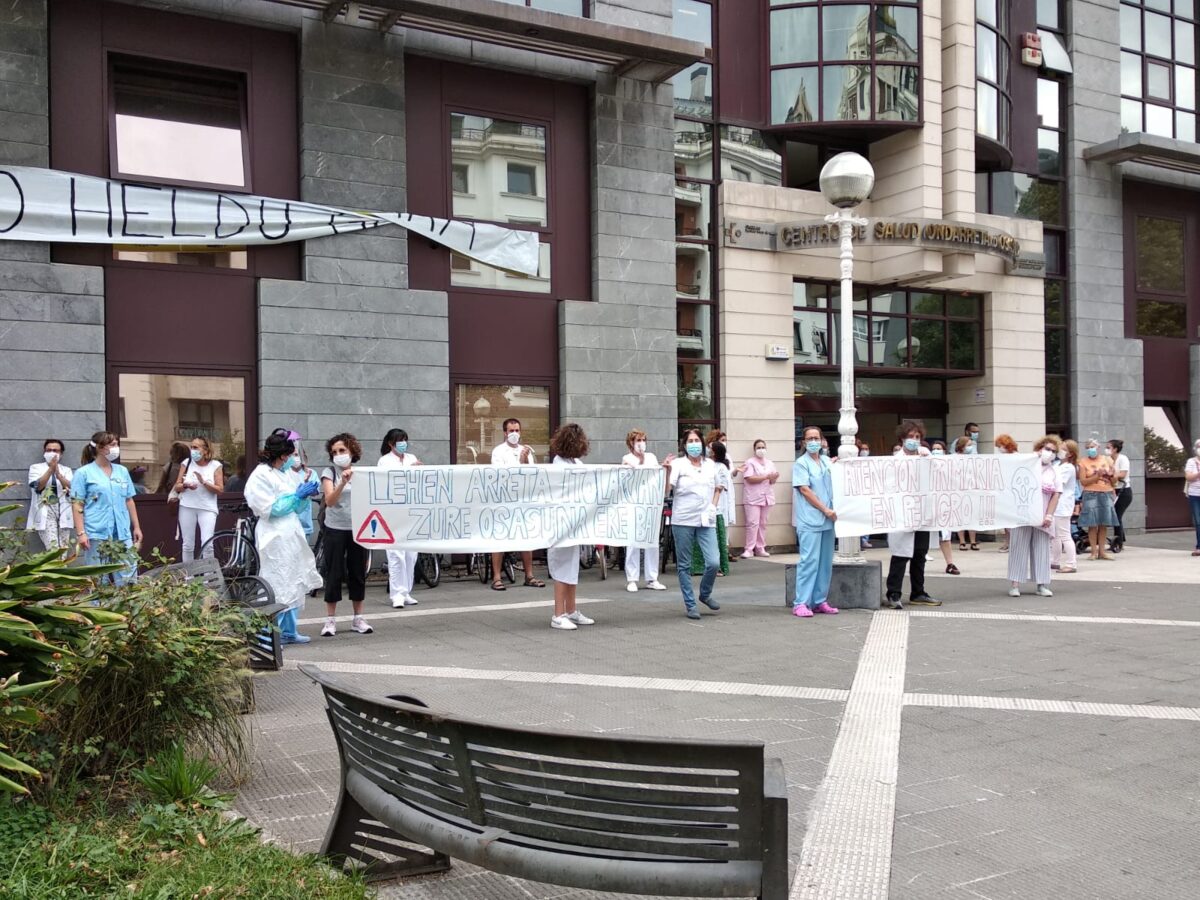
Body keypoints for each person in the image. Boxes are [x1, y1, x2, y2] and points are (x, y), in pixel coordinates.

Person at [244, 429, 323, 644]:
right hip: (274, 535)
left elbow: (294, 506)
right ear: (281, 455)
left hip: (290, 532)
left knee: (294, 579)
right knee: (277, 580)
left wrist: (304, 494)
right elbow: (271, 508)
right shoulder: (260, 475)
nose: (292, 460)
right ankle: (267, 632)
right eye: (289, 455)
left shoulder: (285, 473)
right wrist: (296, 496)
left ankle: (289, 630)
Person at [318, 433, 372, 637]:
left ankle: (358, 618)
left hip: (358, 528)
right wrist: (342, 482)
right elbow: (330, 500)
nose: (338, 455)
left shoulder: (362, 473)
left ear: (352, 451)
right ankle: (330, 620)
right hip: (335, 529)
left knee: (357, 572)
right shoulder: (329, 472)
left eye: (342, 450)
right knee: (334, 572)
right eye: (334, 452)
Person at [70, 431, 142, 584]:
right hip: (96, 531)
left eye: (117, 444)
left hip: (122, 531)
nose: (117, 448)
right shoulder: (83, 473)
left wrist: (136, 527)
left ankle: (126, 605)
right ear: (101, 448)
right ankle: (97, 606)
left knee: (128, 573)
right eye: (113, 445)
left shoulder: (122, 471)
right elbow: (77, 503)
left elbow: (129, 499)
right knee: (98, 576)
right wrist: (81, 533)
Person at [884, 420, 941, 609]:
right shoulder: (895, 460)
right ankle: (894, 593)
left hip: (923, 513)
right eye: (910, 437)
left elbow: (940, 476)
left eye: (917, 437)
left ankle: (918, 592)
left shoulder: (926, 458)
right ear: (902, 439)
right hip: (903, 514)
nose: (914, 440)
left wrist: (929, 458)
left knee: (919, 554)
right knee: (901, 555)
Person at [668, 428, 722, 620]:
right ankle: (690, 604)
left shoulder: (710, 465)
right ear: (684, 445)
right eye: (690, 441)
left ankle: (705, 593)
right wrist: (666, 471)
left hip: (705, 519)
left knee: (714, 561)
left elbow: (718, 488)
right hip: (683, 519)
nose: (694, 444)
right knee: (684, 565)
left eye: (696, 440)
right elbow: (668, 489)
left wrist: (713, 507)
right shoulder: (678, 464)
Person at [547, 424, 596, 631]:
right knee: (561, 567)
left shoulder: (576, 462)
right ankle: (558, 613)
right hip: (560, 523)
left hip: (574, 523)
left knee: (572, 566)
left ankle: (571, 610)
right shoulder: (558, 464)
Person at [489, 418, 545, 591]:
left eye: (517, 430)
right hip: (504, 500)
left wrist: (524, 461)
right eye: (511, 430)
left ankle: (529, 576)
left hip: (523, 500)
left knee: (525, 538)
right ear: (505, 433)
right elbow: (501, 475)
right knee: (500, 538)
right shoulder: (498, 451)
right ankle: (497, 578)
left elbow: (531, 475)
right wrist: (519, 463)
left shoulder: (526, 451)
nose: (514, 434)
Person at [791, 426, 838, 618]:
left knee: (825, 562)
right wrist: (824, 509)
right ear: (804, 442)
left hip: (829, 521)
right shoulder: (801, 464)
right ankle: (801, 602)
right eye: (809, 438)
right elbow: (805, 490)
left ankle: (819, 601)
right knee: (809, 561)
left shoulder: (827, 462)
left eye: (816, 438)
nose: (813, 442)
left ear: (821, 440)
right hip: (811, 519)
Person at [1007, 436, 1061, 597]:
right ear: (1039, 448)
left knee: (1041, 549)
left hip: (1043, 515)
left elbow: (1056, 494)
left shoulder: (1054, 471)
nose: (1049, 453)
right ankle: (1015, 584)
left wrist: (1049, 515)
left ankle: (1042, 584)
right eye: (1047, 449)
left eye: (1053, 451)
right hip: (1023, 513)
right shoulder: (1026, 464)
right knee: (1018, 547)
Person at [378, 428, 422, 608]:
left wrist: (419, 470)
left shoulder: (411, 458)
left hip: (412, 511)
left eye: (405, 440)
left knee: (411, 554)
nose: (403, 444)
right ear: (390, 443)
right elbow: (387, 482)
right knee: (396, 555)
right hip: (394, 512)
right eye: (399, 441)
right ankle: (396, 593)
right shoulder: (384, 461)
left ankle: (406, 591)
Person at [620, 430, 666, 592]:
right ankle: (632, 578)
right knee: (633, 542)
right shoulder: (627, 459)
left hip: (651, 503)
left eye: (643, 439)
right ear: (631, 442)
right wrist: (637, 463)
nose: (641, 442)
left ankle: (652, 578)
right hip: (634, 504)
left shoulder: (652, 457)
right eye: (638, 440)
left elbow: (656, 475)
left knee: (652, 541)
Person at [174, 437, 224, 562]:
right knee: (187, 545)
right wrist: (186, 485)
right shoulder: (187, 463)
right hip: (187, 506)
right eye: (191, 447)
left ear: (206, 450)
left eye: (196, 447)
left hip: (207, 508)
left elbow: (220, 490)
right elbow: (177, 486)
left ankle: (208, 578)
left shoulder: (215, 465)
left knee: (207, 545)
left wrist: (204, 482)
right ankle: (189, 578)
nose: (192, 450)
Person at [693, 442, 733, 577]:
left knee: (714, 539)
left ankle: (718, 567)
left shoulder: (721, 467)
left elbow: (721, 486)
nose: (708, 450)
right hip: (701, 505)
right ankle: (699, 566)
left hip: (716, 507)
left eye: (710, 448)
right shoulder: (705, 464)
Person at [27, 439, 74, 552]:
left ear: (61, 453)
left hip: (63, 509)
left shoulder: (66, 470)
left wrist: (58, 474)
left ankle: (60, 569)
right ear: (44, 452)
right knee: (53, 549)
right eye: (49, 450)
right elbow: (37, 486)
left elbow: (72, 488)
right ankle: (56, 568)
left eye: (55, 450)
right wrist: (50, 470)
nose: (52, 453)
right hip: (46, 509)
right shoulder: (36, 468)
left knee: (63, 549)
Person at [1077, 437, 1118, 560]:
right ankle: (1093, 552)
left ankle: (1102, 551)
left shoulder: (1107, 460)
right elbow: (1083, 481)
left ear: (1098, 448)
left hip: (1106, 492)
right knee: (1092, 524)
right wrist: (1097, 476)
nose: (1091, 449)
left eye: (1093, 447)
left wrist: (1111, 475)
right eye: (1088, 447)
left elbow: (1115, 480)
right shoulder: (1083, 462)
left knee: (1103, 524)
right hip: (1090, 493)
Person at [740, 438, 778, 559]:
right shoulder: (750, 462)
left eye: (763, 447)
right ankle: (749, 549)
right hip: (753, 497)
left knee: (763, 524)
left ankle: (760, 547)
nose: (761, 450)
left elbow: (772, 481)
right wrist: (766, 476)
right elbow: (749, 478)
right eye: (758, 448)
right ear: (754, 450)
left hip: (767, 497)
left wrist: (774, 477)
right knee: (752, 523)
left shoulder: (770, 463)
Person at [930, 441, 960, 574]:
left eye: (939, 449)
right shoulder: (927, 465)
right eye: (934, 449)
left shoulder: (950, 465)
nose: (936, 451)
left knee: (945, 535)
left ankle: (950, 563)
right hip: (929, 503)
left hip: (943, 504)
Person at [1051, 439, 1080, 574]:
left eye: (1063, 449)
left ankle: (1071, 563)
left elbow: (1057, 483)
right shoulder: (1058, 465)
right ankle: (1055, 561)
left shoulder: (1068, 467)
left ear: (1070, 454)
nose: (1060, 451)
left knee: (1064, 535)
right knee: (1055, 535)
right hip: (1057, 505)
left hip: (1063, 504)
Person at [953, 436, 978, 550]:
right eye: (968, 445)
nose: (970, 447)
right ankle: (962, 541)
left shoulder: (974, 458)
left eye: (971, 445)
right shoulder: (954, 458)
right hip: (957, 490)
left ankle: (973, 541)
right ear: (962, 446)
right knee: (960, 516)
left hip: (971, 489)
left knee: (972, 516)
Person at [994, 434, 1018, 551]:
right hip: (1004, 491)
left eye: (1000, 446)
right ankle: (1007, 542)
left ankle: (1013, 542)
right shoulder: (1001, 457)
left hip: (1013, 492)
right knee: (1005, 520)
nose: (999, 448)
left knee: (1012, 520)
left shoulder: (1016, 457)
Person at [1107, 438, 1131, 550]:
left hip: (1123, 490)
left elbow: (1123, 474)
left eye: (1109, 447)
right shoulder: (1107, 459)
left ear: (1115, 449)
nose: (1106, 449)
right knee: (1114, 514)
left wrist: (1111, 475)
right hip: (1112, 489)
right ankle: (1120, 538)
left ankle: (1119, 541)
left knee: (1117, 515)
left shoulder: (1123, 459)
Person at [856, 439, 873, 549]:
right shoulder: (854, 461)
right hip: (857, 495)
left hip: (868, 493)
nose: (864, 451)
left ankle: (865, 539)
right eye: (862, 449)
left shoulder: (872, 462)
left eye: (866, 449)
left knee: (867, 518)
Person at [1186, 438, 1200, 557]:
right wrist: (1198, 474)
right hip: (1195, 494)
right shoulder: (1191, 462)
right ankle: (1199, 547)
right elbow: (1189, 477)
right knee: (1198, 521)